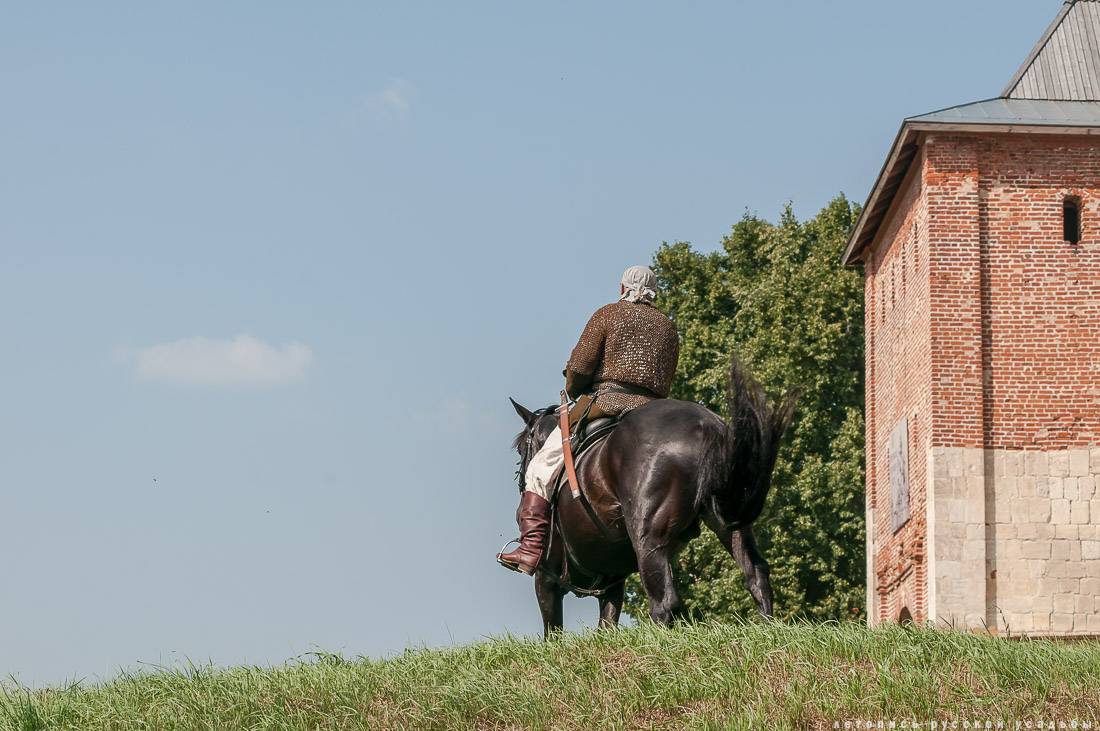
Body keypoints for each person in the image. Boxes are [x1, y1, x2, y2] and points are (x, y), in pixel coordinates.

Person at [497, 265, 680, 575]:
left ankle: (529, 549)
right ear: (653, 293)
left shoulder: (607, 314)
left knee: (540, 467)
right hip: (653, 414)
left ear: (623, 289)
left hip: (606, 403)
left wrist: (574, 387)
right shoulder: (668, 327)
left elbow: (580, 367)